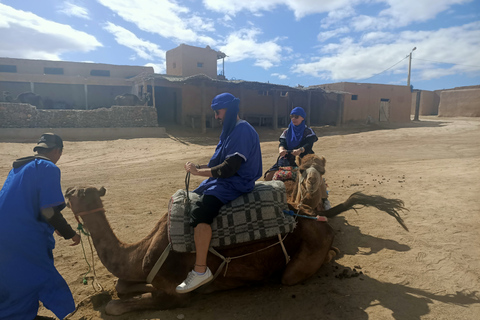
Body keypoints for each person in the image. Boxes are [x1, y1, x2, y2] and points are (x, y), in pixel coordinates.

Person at [176, 92, 262, 293]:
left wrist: (198, 172)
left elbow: (228, 169)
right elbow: (219, 163)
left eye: (218, 112)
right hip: (227, 179)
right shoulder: (231, 130)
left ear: (229, 110)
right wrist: (199, 167)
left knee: (201, 214)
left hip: (236, 182)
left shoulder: (241, 131)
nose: (216, 117)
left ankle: (200, 270)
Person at [0, 133, 81, 320]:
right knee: (40, 274)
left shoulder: (19, 169)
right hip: (21, 235)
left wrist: (55, 227)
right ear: (58, 151)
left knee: (12, 275)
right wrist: (70, 233)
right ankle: (65, 311)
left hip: (4, 232)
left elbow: (28, 202)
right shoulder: (48, 167)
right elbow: (47, 210)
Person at [264, 107, 330, 209]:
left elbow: (309, 144)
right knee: (268, 176)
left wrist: (301, 150)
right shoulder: (286, 132)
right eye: (292, 116)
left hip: (305, 159)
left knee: (315, 177)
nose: (293, 118)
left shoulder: (308, 132)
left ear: (302, 118)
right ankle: (268, 200)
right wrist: (281, 149)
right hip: (287, 158)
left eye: (296, 116)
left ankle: (325, 200)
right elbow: (282, 142)